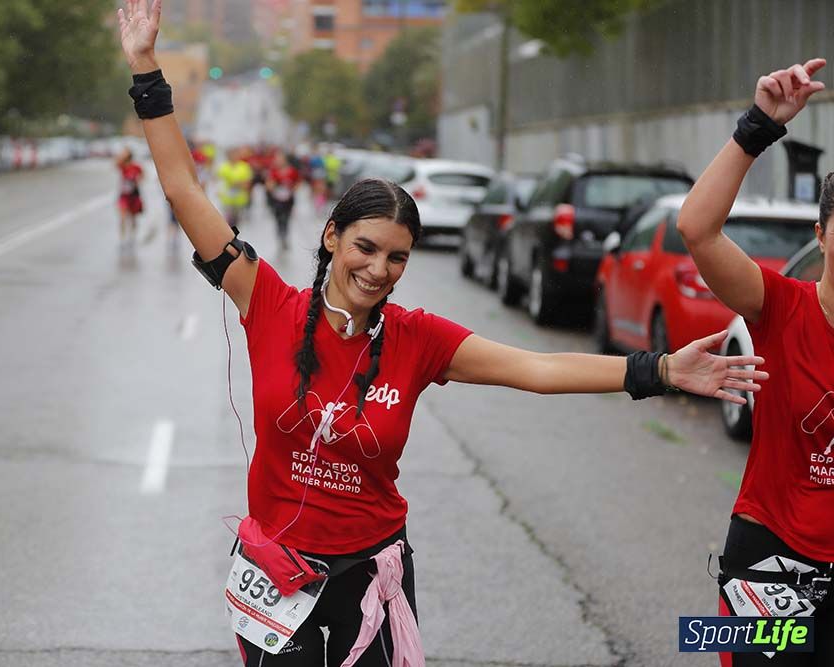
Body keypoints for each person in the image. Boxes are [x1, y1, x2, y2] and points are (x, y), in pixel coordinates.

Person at [118, 3, 767, 664]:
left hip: (372, 574)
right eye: (365, 247)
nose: (377, 269)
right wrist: (146, 68)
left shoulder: (419, 338)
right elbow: (183, 188)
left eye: (396, 257)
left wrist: (657, 370)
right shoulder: (268, 302)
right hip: (276, 571)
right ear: (331, 236)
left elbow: (536, 369)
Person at [676, 58, 832, 667]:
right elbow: (697, 227)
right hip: (771, 564)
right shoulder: (782, 307)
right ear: (821, 235)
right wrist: (758, 125)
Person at [265, 152, 300, 251]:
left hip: (288, 199)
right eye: (277, 159)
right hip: (277, 200)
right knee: (279, 219)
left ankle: (285, 236)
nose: (278, 161)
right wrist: (273, 187)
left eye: (280, 159)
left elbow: (298, 183)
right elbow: (268, 184)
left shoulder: (292, 171)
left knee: (286, 219)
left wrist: (291, 188)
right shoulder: (273, 171)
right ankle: (280, 236)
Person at [218, 148, 253, 228]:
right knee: (228, 222)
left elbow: (248, 184)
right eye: (231, 154)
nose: (233, 156)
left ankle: (234, 237)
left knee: (236, 223)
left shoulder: (244, 167)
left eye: (235, 154)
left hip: (239, 200)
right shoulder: (223, 167)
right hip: (226, 199)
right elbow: (218, 182)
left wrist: (237, 184)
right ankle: (230, 237)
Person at [116, 147, 144, 248]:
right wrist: (121, 155)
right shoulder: (122, 165)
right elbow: (115, 163)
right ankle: (122, 238)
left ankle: (132, 237)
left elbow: (143, 176)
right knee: (122, 217)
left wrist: (137, 180)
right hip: (123, 195)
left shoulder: (136, 166)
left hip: (134, 195)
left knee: (133, 218)